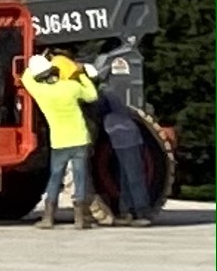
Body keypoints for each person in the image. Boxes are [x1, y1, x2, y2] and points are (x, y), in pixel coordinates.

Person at [21, 52, 100, 230]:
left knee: (55, 178)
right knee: (80, 177)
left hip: (59, 142)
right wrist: (80, 73)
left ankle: (48, 218)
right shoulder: (71, 87)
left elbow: (26, 77)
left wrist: (35, 60)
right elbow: (92, 96)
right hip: (80, 138)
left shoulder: (40, 92)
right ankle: (80, 219)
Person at [93, 92, 158, 227]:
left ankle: (142, 212)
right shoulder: (110, 96)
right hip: (121, 139)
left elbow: (98, 110)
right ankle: (127, 211)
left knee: (134, 176)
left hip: (127, 139)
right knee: (124, 177)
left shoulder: (104, 97)